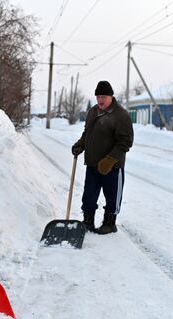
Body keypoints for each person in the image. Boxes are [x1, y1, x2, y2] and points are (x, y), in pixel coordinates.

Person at [71, 81, 134, 234]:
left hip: (112, 166)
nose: (100, 99)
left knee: (112, 196)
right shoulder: (93, 112)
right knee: (89, 195)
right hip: (92, 163)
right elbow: (88, 133)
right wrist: (81, 144)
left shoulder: (121, 115)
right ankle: (88, 221)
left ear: (111, 97)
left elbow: (125, 142)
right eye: (98, 96)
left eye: (104, 96)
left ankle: (110, 223)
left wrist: (110, 160)